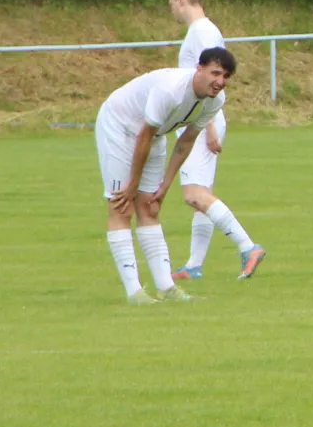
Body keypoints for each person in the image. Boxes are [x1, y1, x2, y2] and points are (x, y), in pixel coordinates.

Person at [96, 50, 234, 302]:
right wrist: (132, 185)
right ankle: (134, 292)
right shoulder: (171, 90)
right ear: (199, 69)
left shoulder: (215, 100)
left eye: (225, 76)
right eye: (215, 73)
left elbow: (186, 141)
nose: (220, 81)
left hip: (154, 134)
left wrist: (165, 185)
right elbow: (144, 136)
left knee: (150, 206)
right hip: (120, 126)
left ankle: (167, 288)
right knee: (121, 206)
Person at [165, 0, 266, 281]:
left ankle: (248, 247)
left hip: (201, 121)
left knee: (193, 194)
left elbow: (213, 81)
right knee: (202, 196)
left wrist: (208, 127)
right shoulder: (201, 31)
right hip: (201, 120)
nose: (171, 9)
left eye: (171, 3)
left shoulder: (202, 31)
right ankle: (194, 266)